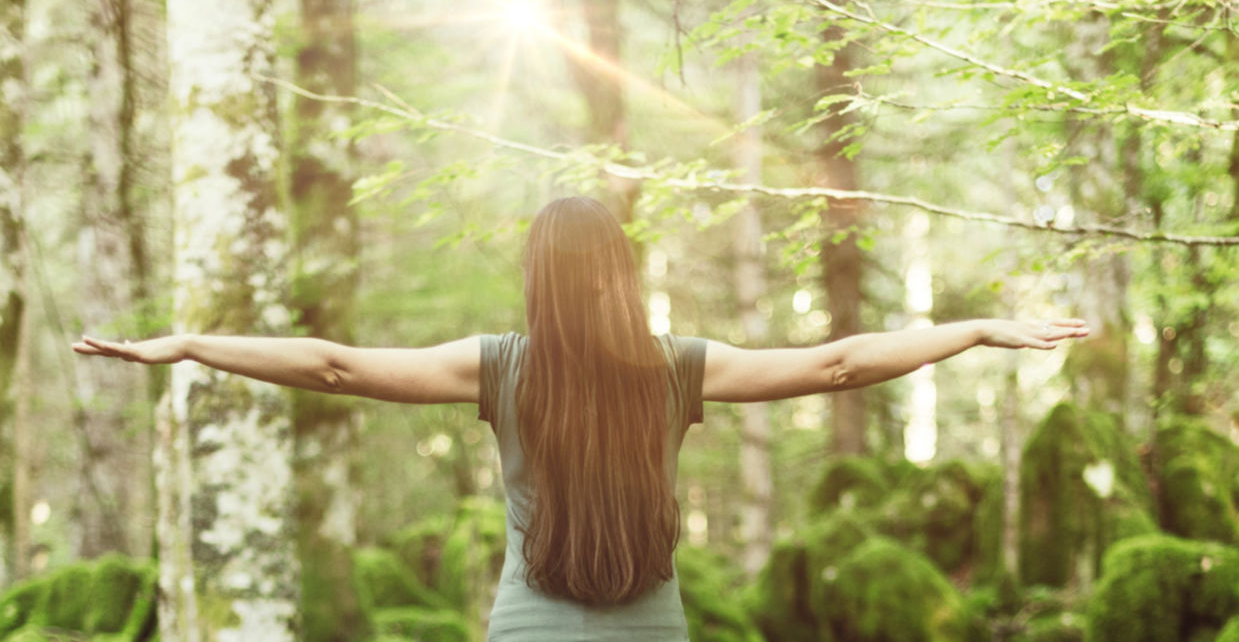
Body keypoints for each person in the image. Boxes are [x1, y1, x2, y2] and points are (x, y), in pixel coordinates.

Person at [73, 196, 1089, 641]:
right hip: (652, 631)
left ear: (533, 280)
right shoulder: (673, 370)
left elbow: (335, 367)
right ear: (618, 271)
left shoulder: (500, 369)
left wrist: (194, 343)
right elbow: (835, 362)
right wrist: (974, 328)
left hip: (527, 632)